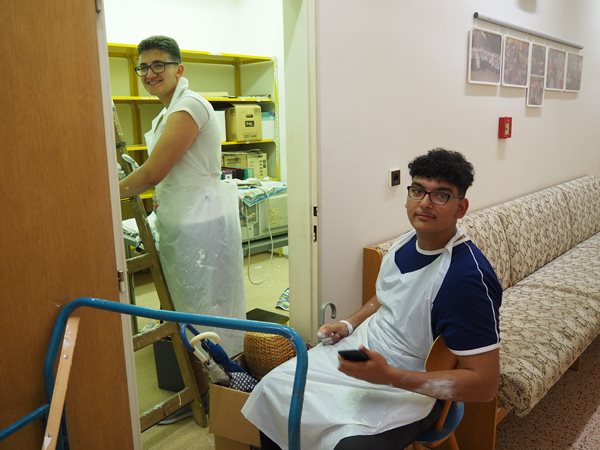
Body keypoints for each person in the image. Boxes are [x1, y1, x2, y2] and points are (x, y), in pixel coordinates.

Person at [242, 148, 502, 450]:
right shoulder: (405, 243)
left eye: (441, 195)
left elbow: (484, 385)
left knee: (347, 445)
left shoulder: (466, 280)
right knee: (273, 391)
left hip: (410, 387)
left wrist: (390, 376)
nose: (425, 203)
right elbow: (387, 296)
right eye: (418, 190)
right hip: (363, 350)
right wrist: (348, 324)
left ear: (461, 207)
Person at [119, 35, 245, 355]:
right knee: (191, 302)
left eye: (158, 65)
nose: (150, 74)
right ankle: (206, 367)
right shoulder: (166, 113)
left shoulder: (189, 106)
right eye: (143, 67)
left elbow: (153, 172)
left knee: (210, 303)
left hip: (201, 220)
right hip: (183, 218)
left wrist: (104, 195)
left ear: (179, 69)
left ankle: (225, 370)